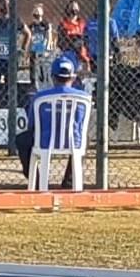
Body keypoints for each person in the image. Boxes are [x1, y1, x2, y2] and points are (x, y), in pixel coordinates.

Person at [15, 55, 89, 189]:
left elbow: (31, 124)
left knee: (21, 139)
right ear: (72, 77)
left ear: (52, 77)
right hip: (73, 141)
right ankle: (70, 181)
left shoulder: (40, 97)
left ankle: (37, 181)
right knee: (83, 139)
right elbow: (82, 124)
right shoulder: (84, 98)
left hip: (44, 141)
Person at [56, 0, 89, 71]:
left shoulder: (81, 23)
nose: (74, 12)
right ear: (68, 10)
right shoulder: (63, 24)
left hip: (81, 53)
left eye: (76, 10)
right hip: (69, 52)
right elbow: (61, 42)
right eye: (72, 9)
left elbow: (86, 38)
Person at [28, 3, 54, 90]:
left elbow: (48, 36)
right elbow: (29, 38)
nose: (37, 19)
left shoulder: (45, 24)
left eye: (38, 16)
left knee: (43, 67)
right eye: (35, 16)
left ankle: (44, 83)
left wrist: (46, 47)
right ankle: (34, 83)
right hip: (34, 49)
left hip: (43, 48)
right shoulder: (31, 26)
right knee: (34, 67)